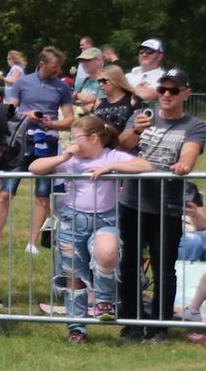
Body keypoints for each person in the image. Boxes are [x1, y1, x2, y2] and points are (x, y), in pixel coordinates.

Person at [30, 116, 153, 343]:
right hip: (72, 220)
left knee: (107, 251)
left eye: (76, 138)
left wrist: (112, 167)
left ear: (94, 138)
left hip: (107, 219)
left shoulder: (112, 156)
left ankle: (105, 300)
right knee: (73, 274)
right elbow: (35, 167)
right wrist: (64, 155)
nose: (73, 142)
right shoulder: (72, 160)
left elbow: (145, 165)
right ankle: (77, 328)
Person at [114, 67, 206, 337]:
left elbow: (190, 153)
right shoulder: (141, 116)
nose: (166, 94)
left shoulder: (194, 125)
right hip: (132, 202)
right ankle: (130, 323)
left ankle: (159, 327)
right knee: (129, 263)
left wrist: (184, 164)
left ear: (186, 94)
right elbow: (121, 147)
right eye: (162, 89)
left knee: (163, 267)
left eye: (173, 90)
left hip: (166, 206)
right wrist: (136, 131)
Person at [0, 46, 76, 257]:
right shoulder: (22, 82)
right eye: (54, 67)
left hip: (47, 143)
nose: (58, 70)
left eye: (59, 67)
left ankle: (31, 243)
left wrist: (53, 124)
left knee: (42, 196)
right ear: (41, 64)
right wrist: (27, 114)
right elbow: (8, 110)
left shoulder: (62, 87)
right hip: (22, 141)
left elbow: (70, 119)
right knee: (6, 192)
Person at [92, 66, 139, 134]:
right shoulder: (98, 102)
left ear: (116, 80)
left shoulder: (133, 100)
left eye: (104, 81)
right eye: (99, 81)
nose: (101, 84)